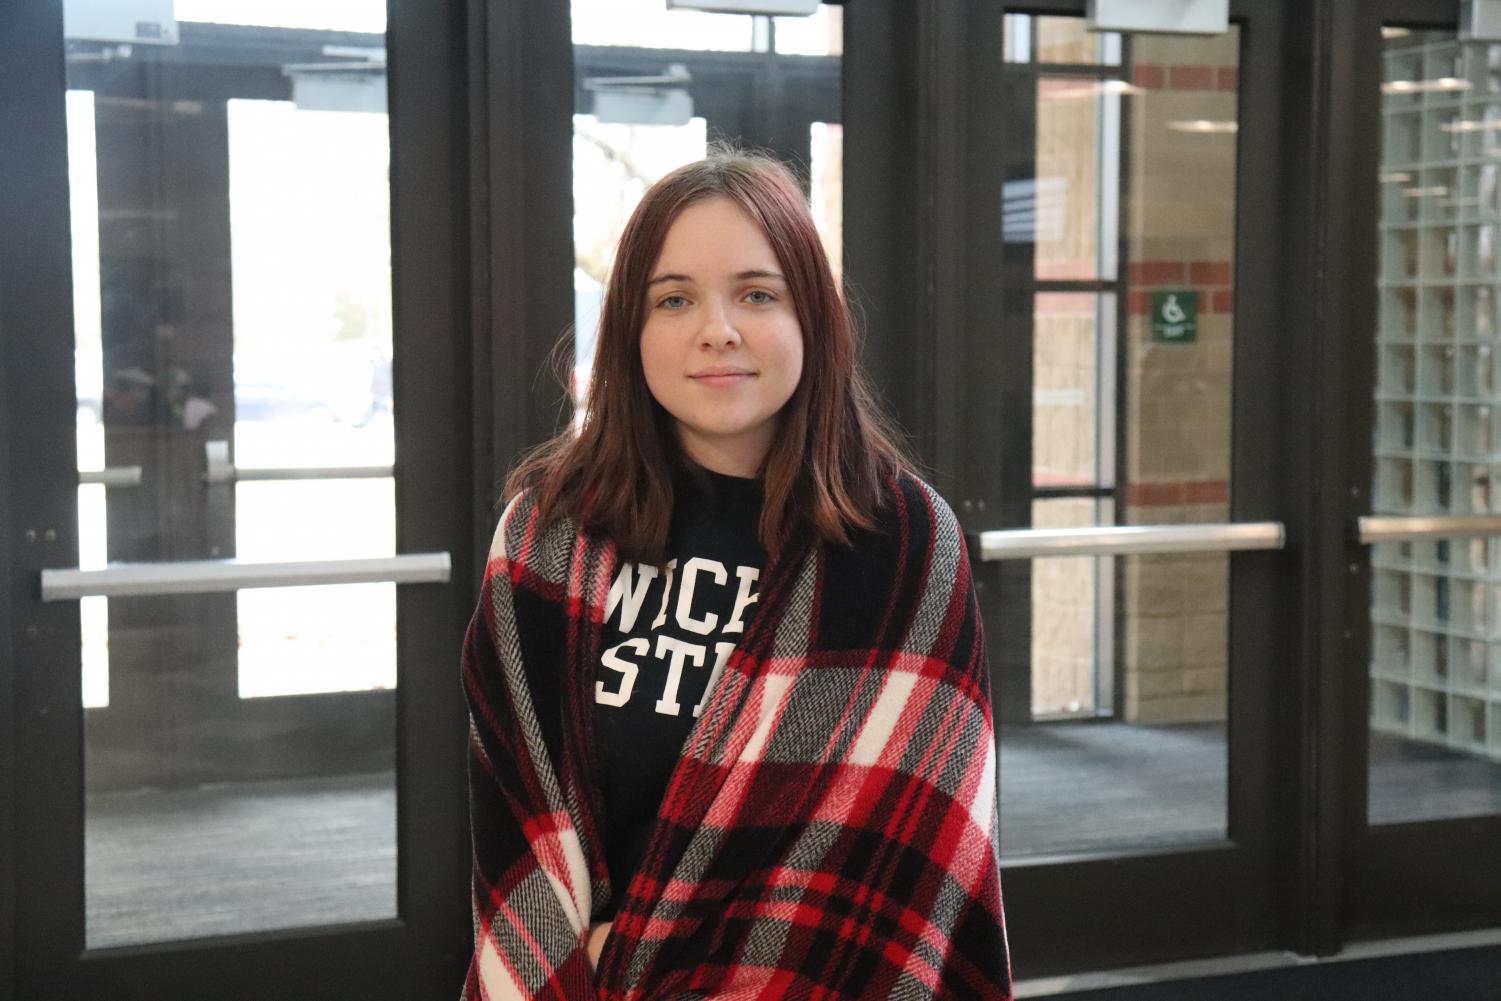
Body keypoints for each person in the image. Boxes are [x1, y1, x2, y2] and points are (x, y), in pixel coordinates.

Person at [460, 148, 1012, 1000]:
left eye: (757, 294)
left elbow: (914, 858)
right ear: (631, 330)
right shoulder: (548, 533)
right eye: (674, 299)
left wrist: (656, 964)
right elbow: (514, 821)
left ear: (812, 321)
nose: (716, 328)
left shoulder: (902, 544)